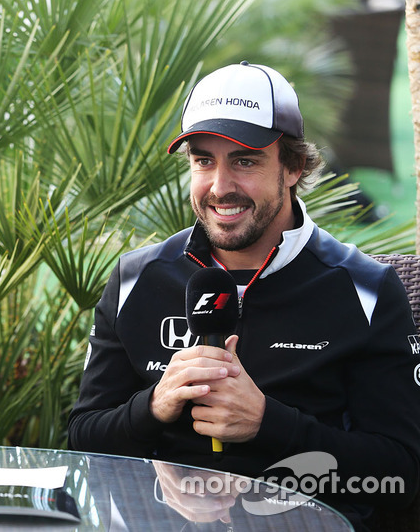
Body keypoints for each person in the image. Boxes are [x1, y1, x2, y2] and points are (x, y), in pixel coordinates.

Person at [67, 61, 420, 528]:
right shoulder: (137, 277)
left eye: (245, 160)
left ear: (293, 166)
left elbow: (401, 475)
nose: (220, 186)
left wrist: (267, 424)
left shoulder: (366, 289)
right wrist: (153, 407)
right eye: (203, 160)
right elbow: (81, 440)